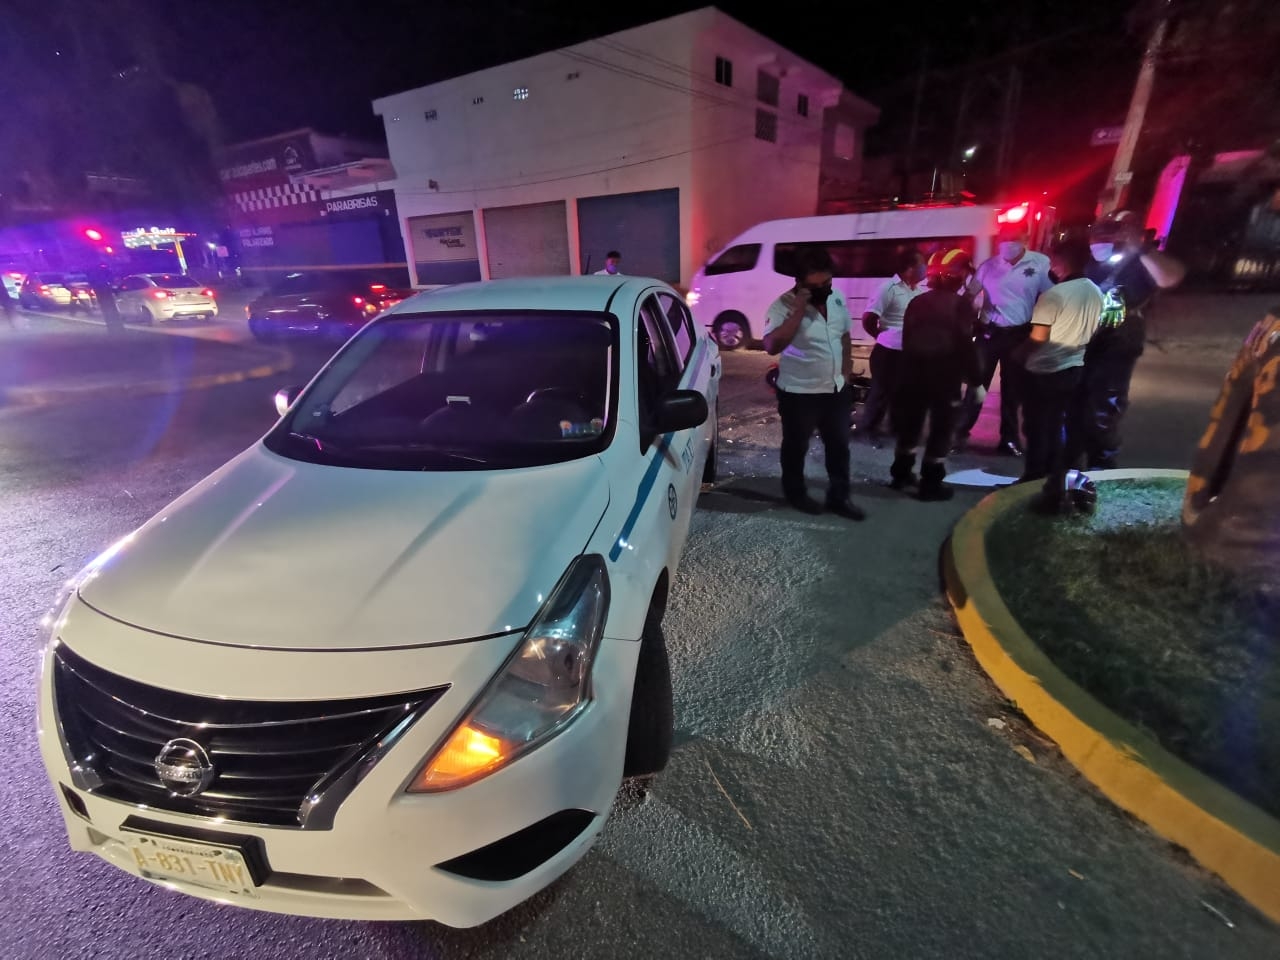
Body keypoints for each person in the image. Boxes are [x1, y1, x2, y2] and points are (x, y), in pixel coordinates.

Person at [1065, 210, 1185, 469]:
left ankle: (1101, 470)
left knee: (1103, 408)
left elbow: (1170, 276)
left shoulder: (1139, 261)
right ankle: (1066, 471)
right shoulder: (1094, 262)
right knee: (1073, 404)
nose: (1100, 242)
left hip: (1120, 337)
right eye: (1097, 236)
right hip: (1088, 336)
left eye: (1108, 235)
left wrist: (1140, 250)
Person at [762, 247, 866, 520]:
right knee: (796, 447)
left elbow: (843, 335)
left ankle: (839, 497)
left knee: (839, 447)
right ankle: (795, 493)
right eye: (815, 286)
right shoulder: (782, 305)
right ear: (799, 283)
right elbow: (772, 345)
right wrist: (798, 311)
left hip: (834, 390)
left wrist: (846, 372)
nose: (823, 290)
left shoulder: (837, 298)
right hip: (799, 393)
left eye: (827, 284)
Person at [1011, 239, 1103, 513]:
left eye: (1053, 261)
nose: (1051, 266)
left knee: (1037, 428)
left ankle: (1032, 479)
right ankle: (1054, 478)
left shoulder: (1054, 296)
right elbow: (1095, 330)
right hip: (1074, 366)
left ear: (1063, 262)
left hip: (1044, 370)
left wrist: (1018, 356)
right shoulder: (1095, 292)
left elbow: (1037, 338)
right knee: (1057, 426)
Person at [954, 222, 1054, 456]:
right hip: (989, 333)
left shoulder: (1040, 264)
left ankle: (1009, 440)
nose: (1007, 243)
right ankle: (958, 434)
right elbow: (970, 294)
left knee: (1013, 390)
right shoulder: (989, 266)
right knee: (976, 386)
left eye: (1013, 237)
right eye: (1003, 238)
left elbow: (1052, 297)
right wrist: (963, 318)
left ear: (1025, 238)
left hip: (1019, 334)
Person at [890, 249, 982, 501]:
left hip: (912, 375)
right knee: (942, 429)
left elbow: (906, 341)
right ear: (960, 274)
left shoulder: (917, 301)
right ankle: (930, 484)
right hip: (944, 377)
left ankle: (900, 474)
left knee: (911, 426)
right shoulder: (962, 305)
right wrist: (976, 380)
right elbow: (965, 343)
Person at [855, 249, 927, 443]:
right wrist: (884, 337)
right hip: (888, 351)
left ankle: (896, 428)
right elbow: (869, 319)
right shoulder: (888, 288)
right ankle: (869, 429)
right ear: (910, 268)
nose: (925, 269)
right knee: (880, 392)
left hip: (909, 352)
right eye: (921, 265)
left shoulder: (919, 292)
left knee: (902, 393)